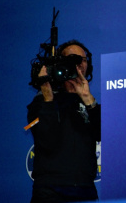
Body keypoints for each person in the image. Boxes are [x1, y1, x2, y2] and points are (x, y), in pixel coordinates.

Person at [27, 40, 101, 202]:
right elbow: (46, 140)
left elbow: (105, 134)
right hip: (50, 190)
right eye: (73, 59)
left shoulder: (91, 104)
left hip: (85, 189)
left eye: (83, 59)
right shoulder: (41, 101)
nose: (80, 64)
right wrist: (48, 96)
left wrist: (88, 99)